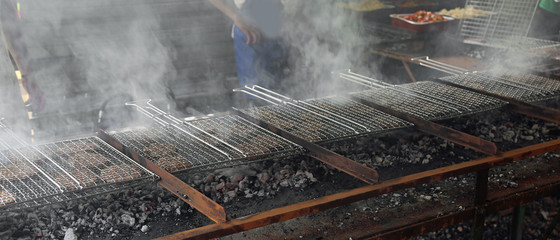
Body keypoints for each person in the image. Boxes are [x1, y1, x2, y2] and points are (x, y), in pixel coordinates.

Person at [208, 0, 287, 90]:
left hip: (280, 32)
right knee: (257, 93)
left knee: (286, 90)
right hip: (249, 32)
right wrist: (235, 17)